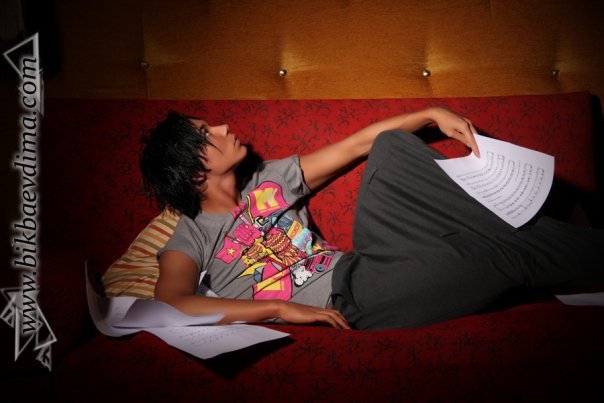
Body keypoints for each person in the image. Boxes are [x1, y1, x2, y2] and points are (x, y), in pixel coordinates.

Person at [140, 108, 603, 330]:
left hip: (364, 258)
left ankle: (529, 221)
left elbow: (358, 145)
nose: (223, 128)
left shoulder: (270, 177)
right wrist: (278, 308)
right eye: (207, 134)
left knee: (389, 147)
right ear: (195, 172)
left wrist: (431, 114)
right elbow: (171, 304)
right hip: (354, 297)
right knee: (495, 255)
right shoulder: (191, 235)